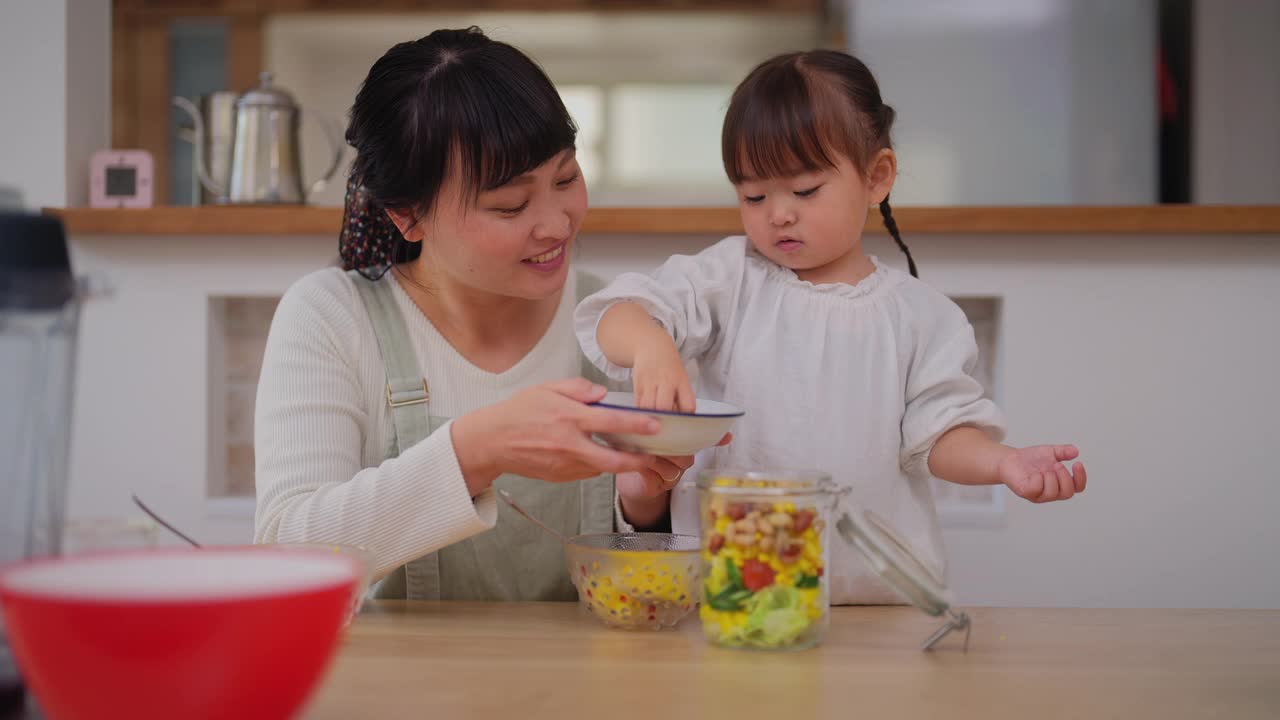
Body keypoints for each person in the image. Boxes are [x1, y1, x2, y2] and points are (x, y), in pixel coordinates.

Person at [574, 50, 1087, 604]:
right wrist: (651, 345)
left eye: (805, 190)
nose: (778, 214)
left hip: (873, 603)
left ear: (876, 178)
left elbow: (941, 436)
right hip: (735, 602)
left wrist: (1006, 463)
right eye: (754, 195)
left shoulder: (922, 317)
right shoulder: (729, 278)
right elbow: (615, 312)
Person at [254, 27, 704, 601]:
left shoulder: (613, 324)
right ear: (408, 217)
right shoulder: (331, 317)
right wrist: (476, 451)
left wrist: (644, 507)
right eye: (510, 205)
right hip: (402, 690)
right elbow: (284, 552)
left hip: (587, 686)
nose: (557, 223)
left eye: (566, 178)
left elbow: (652, 597)